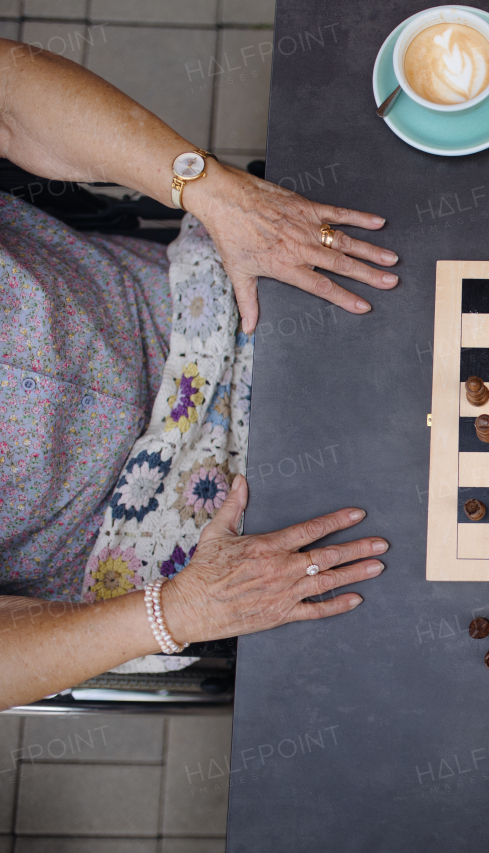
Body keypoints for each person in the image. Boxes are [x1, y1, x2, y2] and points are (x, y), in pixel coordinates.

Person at [0, 41, 394, 705]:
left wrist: (208, 187)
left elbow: (9, 94)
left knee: (417, 290)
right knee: (407, 553)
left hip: (186, 300)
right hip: (148, 536)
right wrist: (176, 613)